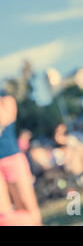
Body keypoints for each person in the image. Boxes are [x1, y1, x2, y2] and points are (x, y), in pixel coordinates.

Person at [0, 96, 41, 226]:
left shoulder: (7, 100)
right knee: (4, 214)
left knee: (27, 205)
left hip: (12, 159)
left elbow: (4, 118)